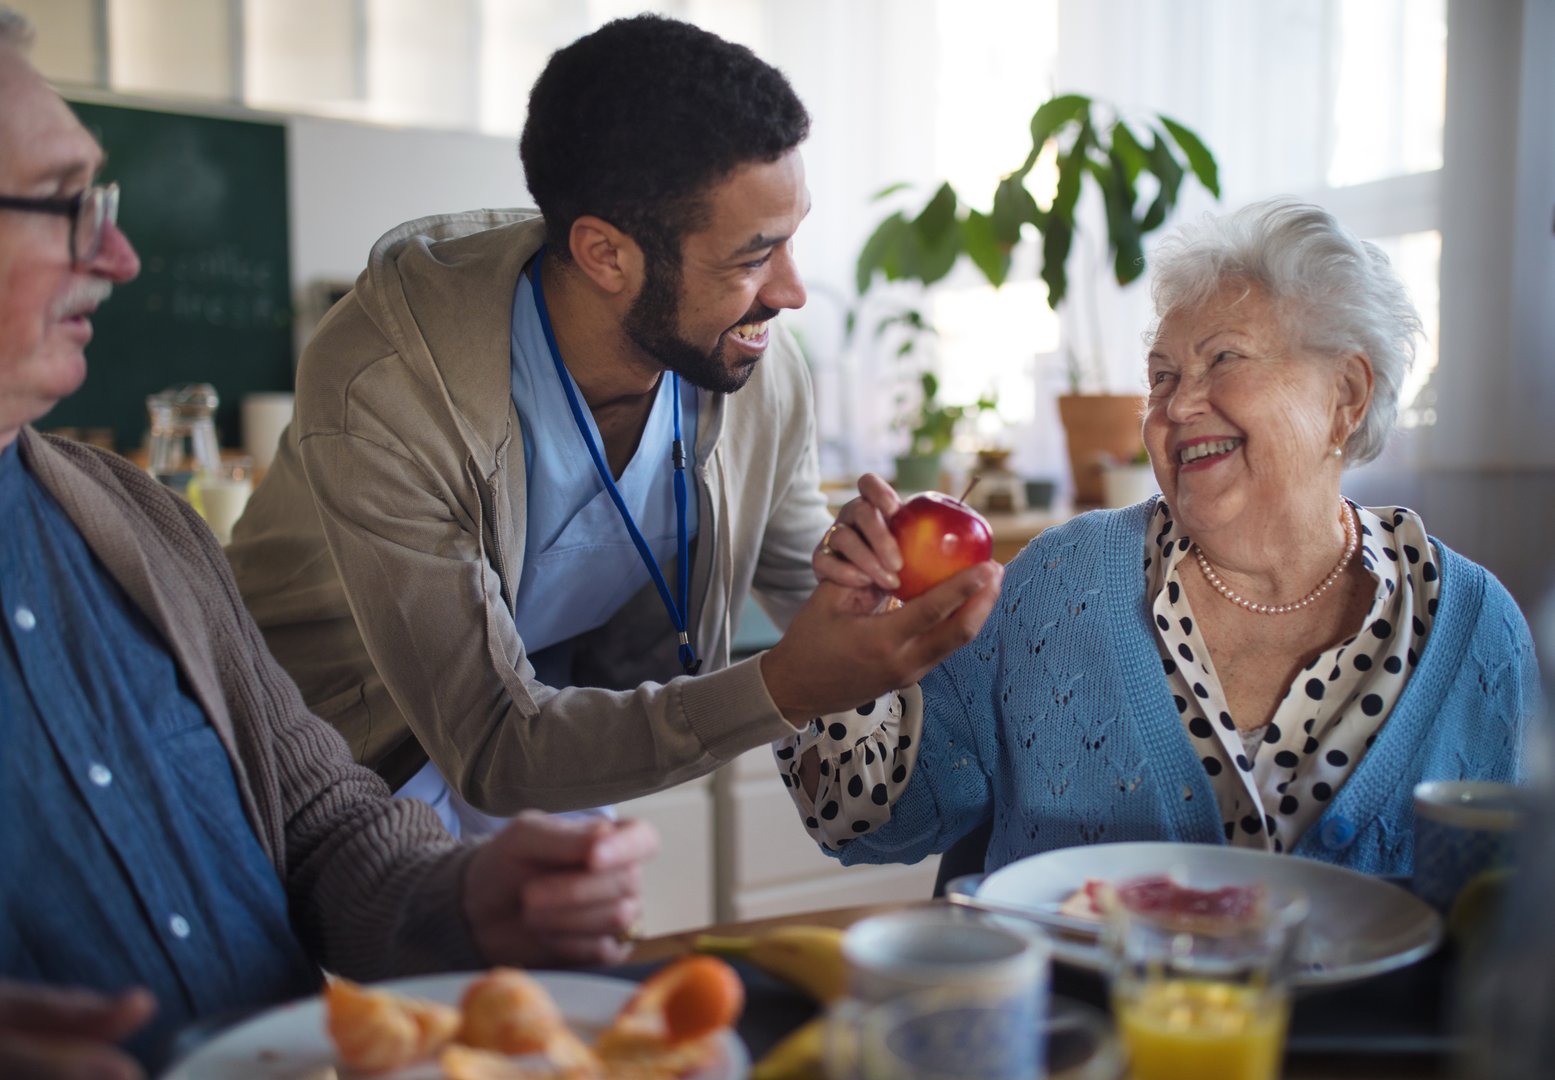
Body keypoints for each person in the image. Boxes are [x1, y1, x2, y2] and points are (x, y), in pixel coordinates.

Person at [0, 12, 662, 1076]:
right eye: (64, 205)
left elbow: (317, 821)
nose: (117, 255)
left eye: (104, 204)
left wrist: (465, 897)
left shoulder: (136, 518)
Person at [226, 14, 1001, 835]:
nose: (791, 291)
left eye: (792, 241)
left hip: (542, 737)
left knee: (584, 958)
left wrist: (864, 569)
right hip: (323, 769)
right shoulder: (388, 388)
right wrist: (782, 687)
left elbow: (798, 564)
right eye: (751, 257)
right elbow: (490, 747)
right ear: (605, 254)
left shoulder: (751, 369)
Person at [780, 198, 1539, 876]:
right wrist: (849, 664)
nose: (1177, 407)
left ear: (1344, 396)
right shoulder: (1055, 584)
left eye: (1223, 360)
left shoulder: (1473, 626)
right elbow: (866, 825)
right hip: (1088, 1029)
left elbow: (1497, 908)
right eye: (1162, 377)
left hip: (1354, 1039)